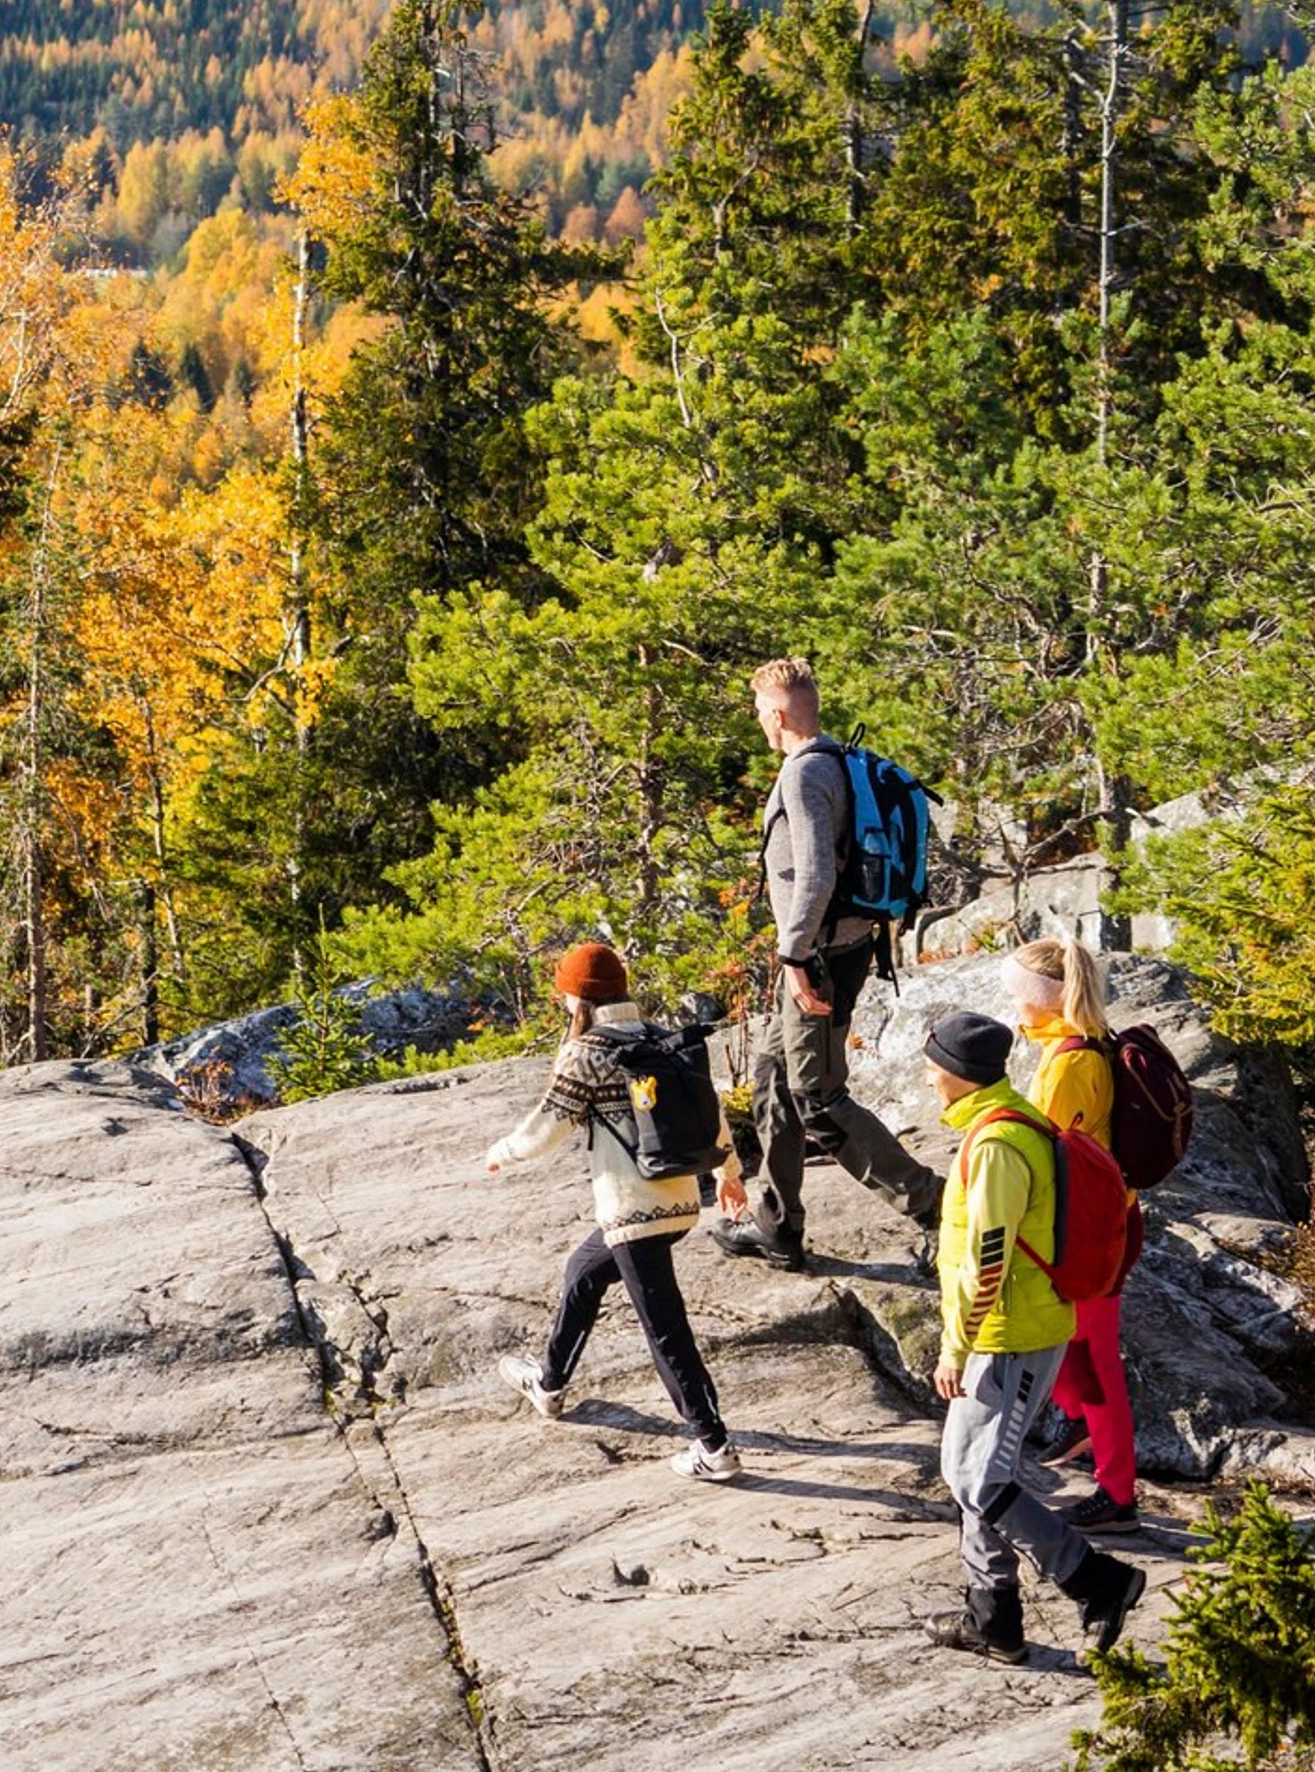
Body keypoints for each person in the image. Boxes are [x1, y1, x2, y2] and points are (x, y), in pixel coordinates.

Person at [920, 1008, 1147, 1665]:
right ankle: (993, 1618)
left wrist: (955, 1347)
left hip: (1009, 1334)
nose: (929, 1074)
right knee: (968, 1474)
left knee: (981, 1478)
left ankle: (1097, 1580)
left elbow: (988, 1257)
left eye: (935, 1063)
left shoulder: (996, 1145)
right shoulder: (1002, 1123)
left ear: (959, 1074)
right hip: (1008, 1326)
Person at [712, 658, 942, 1271]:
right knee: (770, 1079)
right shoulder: (841, 761)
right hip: (840, 946)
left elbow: (815, 871)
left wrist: (793, 955)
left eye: (761, 712)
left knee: (815, 1094)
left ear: (778, 714)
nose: (759, 722)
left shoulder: (803, 776)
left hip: (817, 956)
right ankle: (778, 1226)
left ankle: (934, 1208)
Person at [484, 940, 741, 1484]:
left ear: (575, 998)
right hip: (677, 1199)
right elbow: (710, 1111)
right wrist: (728, 1174)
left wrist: (503, 1153)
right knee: (583, 1271)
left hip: (632, 1209)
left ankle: (714, 1448)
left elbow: (550, 1123)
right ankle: (549, 1384)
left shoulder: (589, 1050)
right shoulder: (657, 1036)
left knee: (666, 1329)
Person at [1013, 937, 1143, 1532]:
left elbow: (1051, 1156)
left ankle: (1118, 1495)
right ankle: (1083, 1424)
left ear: (1050, 997)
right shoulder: (1075, 1046)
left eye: (1020, 991)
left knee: (1093, 1357)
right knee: (1069, 1345)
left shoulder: (1071, 1064)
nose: (1012, 1001)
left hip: (1091, 1232)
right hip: (1099, 1223)